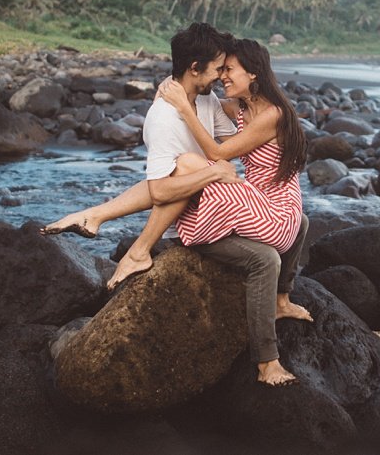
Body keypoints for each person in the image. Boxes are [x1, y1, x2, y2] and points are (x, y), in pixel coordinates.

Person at [42, 23, 311, 386]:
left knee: (191, 168)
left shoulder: (266, 113)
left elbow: (208, 157)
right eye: (220, 68)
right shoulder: (242, 106)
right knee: (210, 176)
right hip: (275, 207)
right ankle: (98, 217)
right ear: (196, 68)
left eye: (228, 69)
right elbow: (170, 181)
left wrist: (185, 108)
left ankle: (267, 360)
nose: (222, 76)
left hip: (271, 212)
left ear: (254, 73)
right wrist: (180, 103)